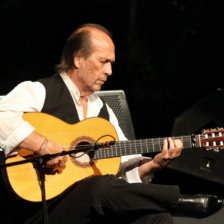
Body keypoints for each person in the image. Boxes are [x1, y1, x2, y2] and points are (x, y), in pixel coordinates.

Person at [0, 23, 223, 224]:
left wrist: (155, 164)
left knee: (155, 218)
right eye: (103, 62)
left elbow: (123, 173)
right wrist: (42, 144)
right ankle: (177, 201)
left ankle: (165, 208)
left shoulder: (103, 110)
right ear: (78, 59)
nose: (109, 71)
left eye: (111, 64)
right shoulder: (41, 91)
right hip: (40, 208)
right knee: (98, 187)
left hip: (90, 208)